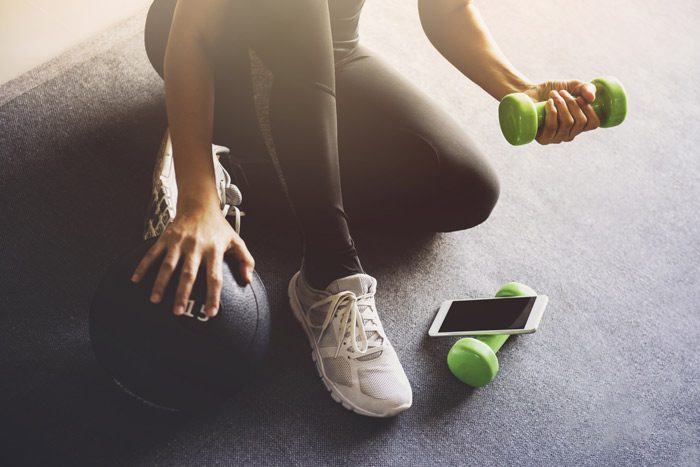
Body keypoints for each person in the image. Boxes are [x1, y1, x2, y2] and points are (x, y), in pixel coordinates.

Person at [131, 0, 600, 417]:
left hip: (327, 51)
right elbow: (192, 31)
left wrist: (519, 90)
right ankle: (328, 273)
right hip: (216, 46)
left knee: (464, 189)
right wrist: (197, 200)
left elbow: (448, 9)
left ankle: (240, 172)